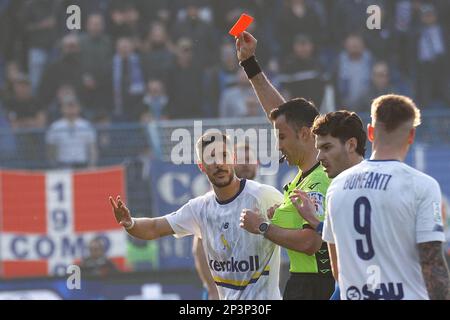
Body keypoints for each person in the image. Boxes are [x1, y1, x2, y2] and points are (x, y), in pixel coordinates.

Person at [110, 132, 284, 300]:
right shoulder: (199, 208)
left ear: (233, 159)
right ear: (201, 166)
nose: (218, 163)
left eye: (224, 155)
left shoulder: (263, 196)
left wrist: (267, 227)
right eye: (210, 158)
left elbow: (305, 235)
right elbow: (154, 228)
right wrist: (130, 223)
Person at [236, 31, 334, 300]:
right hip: (304, 284)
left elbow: (310, 243)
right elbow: (282, 115)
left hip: (317, 287)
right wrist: (249, 64)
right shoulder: (305, 175)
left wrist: (263, 227)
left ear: (305, 134)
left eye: (281, 137)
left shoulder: (321, 178)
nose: (278, 145)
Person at [323, 94, 450, 299]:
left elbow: (337, 267)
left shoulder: (336, 186)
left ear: (371, 132)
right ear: (411, 136)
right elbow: (432, 264)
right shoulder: (422, 186)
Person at [289, 110, 368, 300]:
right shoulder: (338, 189)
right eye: (318, 149)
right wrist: (315, 222)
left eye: (327, 148)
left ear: (351, 145)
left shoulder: (371, 187)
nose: (319, 157)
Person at [192, 141, 259, 300]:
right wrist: (212, 289)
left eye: (249, 160)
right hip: (224, 290)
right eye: (240, 161)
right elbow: (199, 247)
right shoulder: (216, 201)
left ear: (257, 164)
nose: (245, 165)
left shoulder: (262, 197)